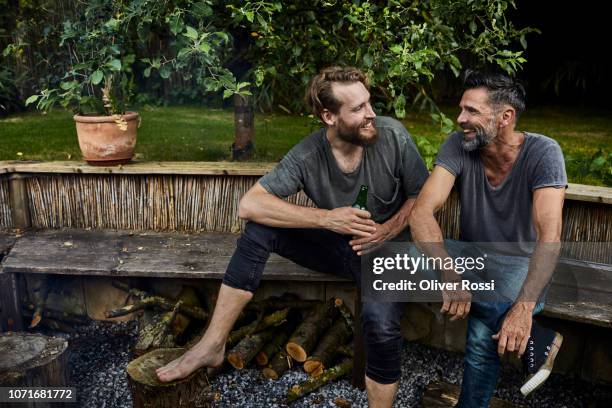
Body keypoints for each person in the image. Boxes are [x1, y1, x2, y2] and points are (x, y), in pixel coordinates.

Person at [156, 66, 430, 407]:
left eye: (369, 103)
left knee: (381, 322)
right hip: (340, 247)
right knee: (260, 229)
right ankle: (212, 344)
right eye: (358, 108)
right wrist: (328, 219)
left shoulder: (392, 136)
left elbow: (421, 195)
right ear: (329, 116)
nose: (371, 113)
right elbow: (250, 204)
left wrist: (386, 230)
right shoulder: (309, 154)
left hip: (389, 253)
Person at [409, 70, 566, 407]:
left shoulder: (543, 152)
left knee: (482, 336)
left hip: (521, 264)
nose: (460, 118)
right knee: (405, 256)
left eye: (471, 111)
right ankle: (541, 342)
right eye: (461, 109)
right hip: (471, 259)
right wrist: (450, 274)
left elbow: (549, 235)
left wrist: (523, 308)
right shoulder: (458, 146)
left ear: (505, 117)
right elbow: (421, 213)